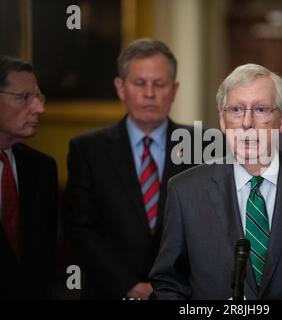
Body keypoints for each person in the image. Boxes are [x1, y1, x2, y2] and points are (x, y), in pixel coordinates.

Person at [149, 63, 282, 299]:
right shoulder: (185, 191)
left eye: (260, 109)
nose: (246, 123)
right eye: (236, 110)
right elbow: (168, 284)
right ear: (222, 121)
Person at [63, 39, 200, 299]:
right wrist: (129, 285)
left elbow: (210, 229)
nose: (150, 93)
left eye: (159, 84)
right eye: (139, 83)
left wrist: (169, 287)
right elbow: (80, 229)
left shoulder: (202, 146)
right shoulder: (88, 149)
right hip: (109, 292)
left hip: (183, 294)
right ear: (120, 88)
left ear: (174, 89)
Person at [0, 55, 58, 299]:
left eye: (38, 97)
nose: (39, 108)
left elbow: (44, 263)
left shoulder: (42, 168)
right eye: (24, 98)